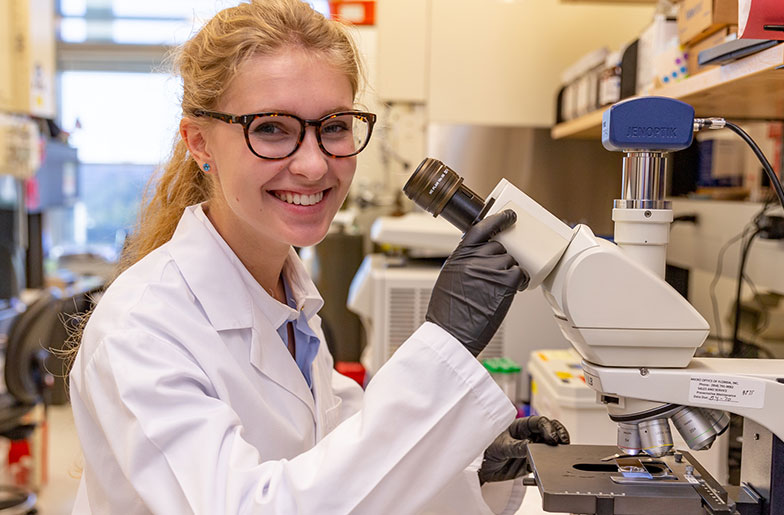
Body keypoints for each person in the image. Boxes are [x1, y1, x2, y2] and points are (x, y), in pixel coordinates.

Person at [68, 1, 569, 513]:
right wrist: (445, 346)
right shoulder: (141, 330)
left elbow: (331, 455)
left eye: (334, 127)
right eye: (270, 128)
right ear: (200, 142)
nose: (312, 165)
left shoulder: (287, 293)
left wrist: (469, 462)